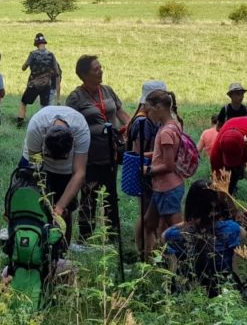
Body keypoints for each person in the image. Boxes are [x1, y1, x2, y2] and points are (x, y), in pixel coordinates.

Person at [66, 55, 131, 240]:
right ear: (84, 75)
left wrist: (132, 127)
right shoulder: (75, 97)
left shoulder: (108, 91)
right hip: (88, 156)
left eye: (101, 67)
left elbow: (121, 113)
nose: (101, 71)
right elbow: (68, 124)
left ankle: (113, 236)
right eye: (96, 69)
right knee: (88, 197)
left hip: (110, 153)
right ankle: (86, 238)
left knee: (111, 195)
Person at [21, 104, 90, 245]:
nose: (55, 161)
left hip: (66, 172)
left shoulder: (81, 129)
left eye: (61, 157)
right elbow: (34, 168)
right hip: (38, 165)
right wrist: (43, 198)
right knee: (34, 207)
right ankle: (34, 246)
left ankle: (63, 252)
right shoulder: (36, 126)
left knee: (65, 212)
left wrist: (60, 206)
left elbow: (79, 173)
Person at [163, 180, 245, 297]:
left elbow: (163, 236)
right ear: (215, 205)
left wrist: (185, 223)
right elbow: (243, 233)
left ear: (190, 205)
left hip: (191, 291)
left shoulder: (177, 235)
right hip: (225, 290)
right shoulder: (230, 229)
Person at [142, 90, 185, 255]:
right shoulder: (173, 124)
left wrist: (148, 169)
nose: (148, 113)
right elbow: (165, 155)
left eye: (150, 109)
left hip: (168, 188)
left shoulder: (166, 131)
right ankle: (148, 260)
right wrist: (145, 155)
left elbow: (168, 165)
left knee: (176, 232)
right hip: (162, 187)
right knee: (149, 222)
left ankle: (184, 262)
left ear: (159, 107)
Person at [128, 80, 167, 258]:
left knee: (151, 216)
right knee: (148, 216)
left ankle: (148, 253)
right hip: (146, 174)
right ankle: (145, 253)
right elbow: (139, 153)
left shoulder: (152, 121)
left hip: (153, 171)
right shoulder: (142, 123)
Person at [17, 33, 62, 128]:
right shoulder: (51, 55)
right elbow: (57, 72)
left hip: (34, 84)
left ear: (36, 44)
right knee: (44, 106)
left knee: (23, 102)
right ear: (44, 43)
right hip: (46, 84)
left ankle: (19, 125)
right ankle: (45, 126)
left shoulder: (33, 54)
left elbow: (24, 67)